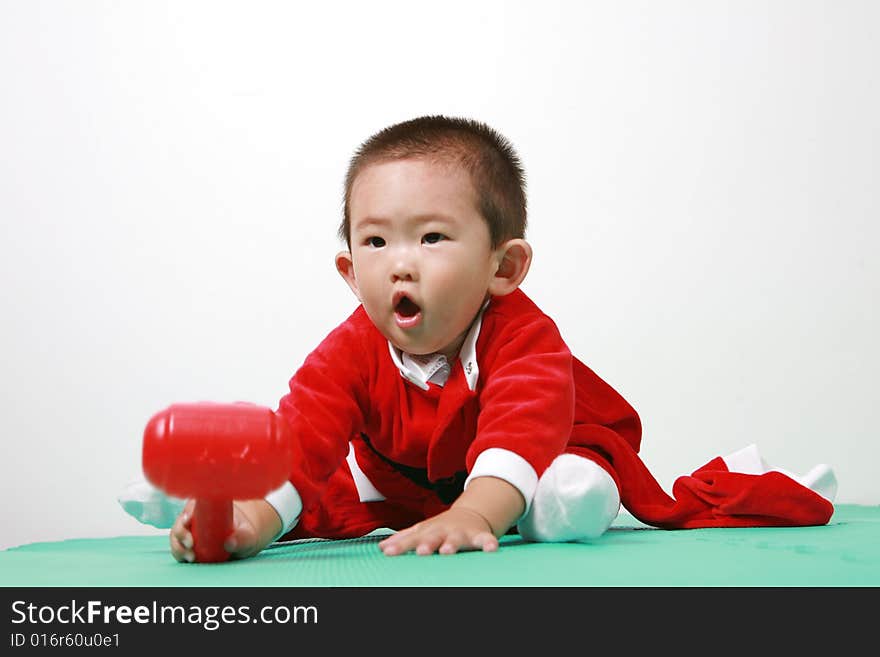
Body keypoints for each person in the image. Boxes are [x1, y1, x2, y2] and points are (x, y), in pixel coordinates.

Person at [120, 115, 837, 563]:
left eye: (431, 236)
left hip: (536, 450)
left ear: (503, 266)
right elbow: (308, 436)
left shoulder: (522, 336)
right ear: (349, 269)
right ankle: (217, 496)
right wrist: (246, 518)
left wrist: (474, 512)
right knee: (320, 488)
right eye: (375, 240)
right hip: (408, 476)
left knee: (565, 466)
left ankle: (559, 504)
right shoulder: (348, 348)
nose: (399, 260)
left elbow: (523, 424)